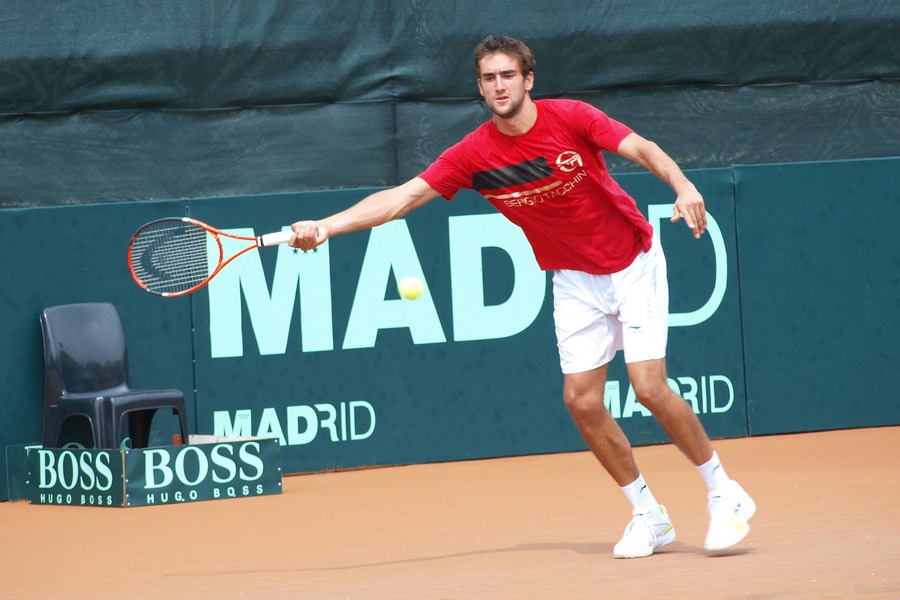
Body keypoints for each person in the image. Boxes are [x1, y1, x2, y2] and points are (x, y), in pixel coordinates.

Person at [289, 35, 755, 558]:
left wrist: (683, 185)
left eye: (508, 75)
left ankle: (724, 491)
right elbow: (403, 198)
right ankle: (649, 515)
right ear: (480, 87)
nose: (499, 86)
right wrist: (326, 227)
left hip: (631, 261)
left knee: (648, 387)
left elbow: (641, 147)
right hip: (572, 278)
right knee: (581, 401)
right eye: (489, 78)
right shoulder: (473, 154)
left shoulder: (572, 117)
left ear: (528, 79)